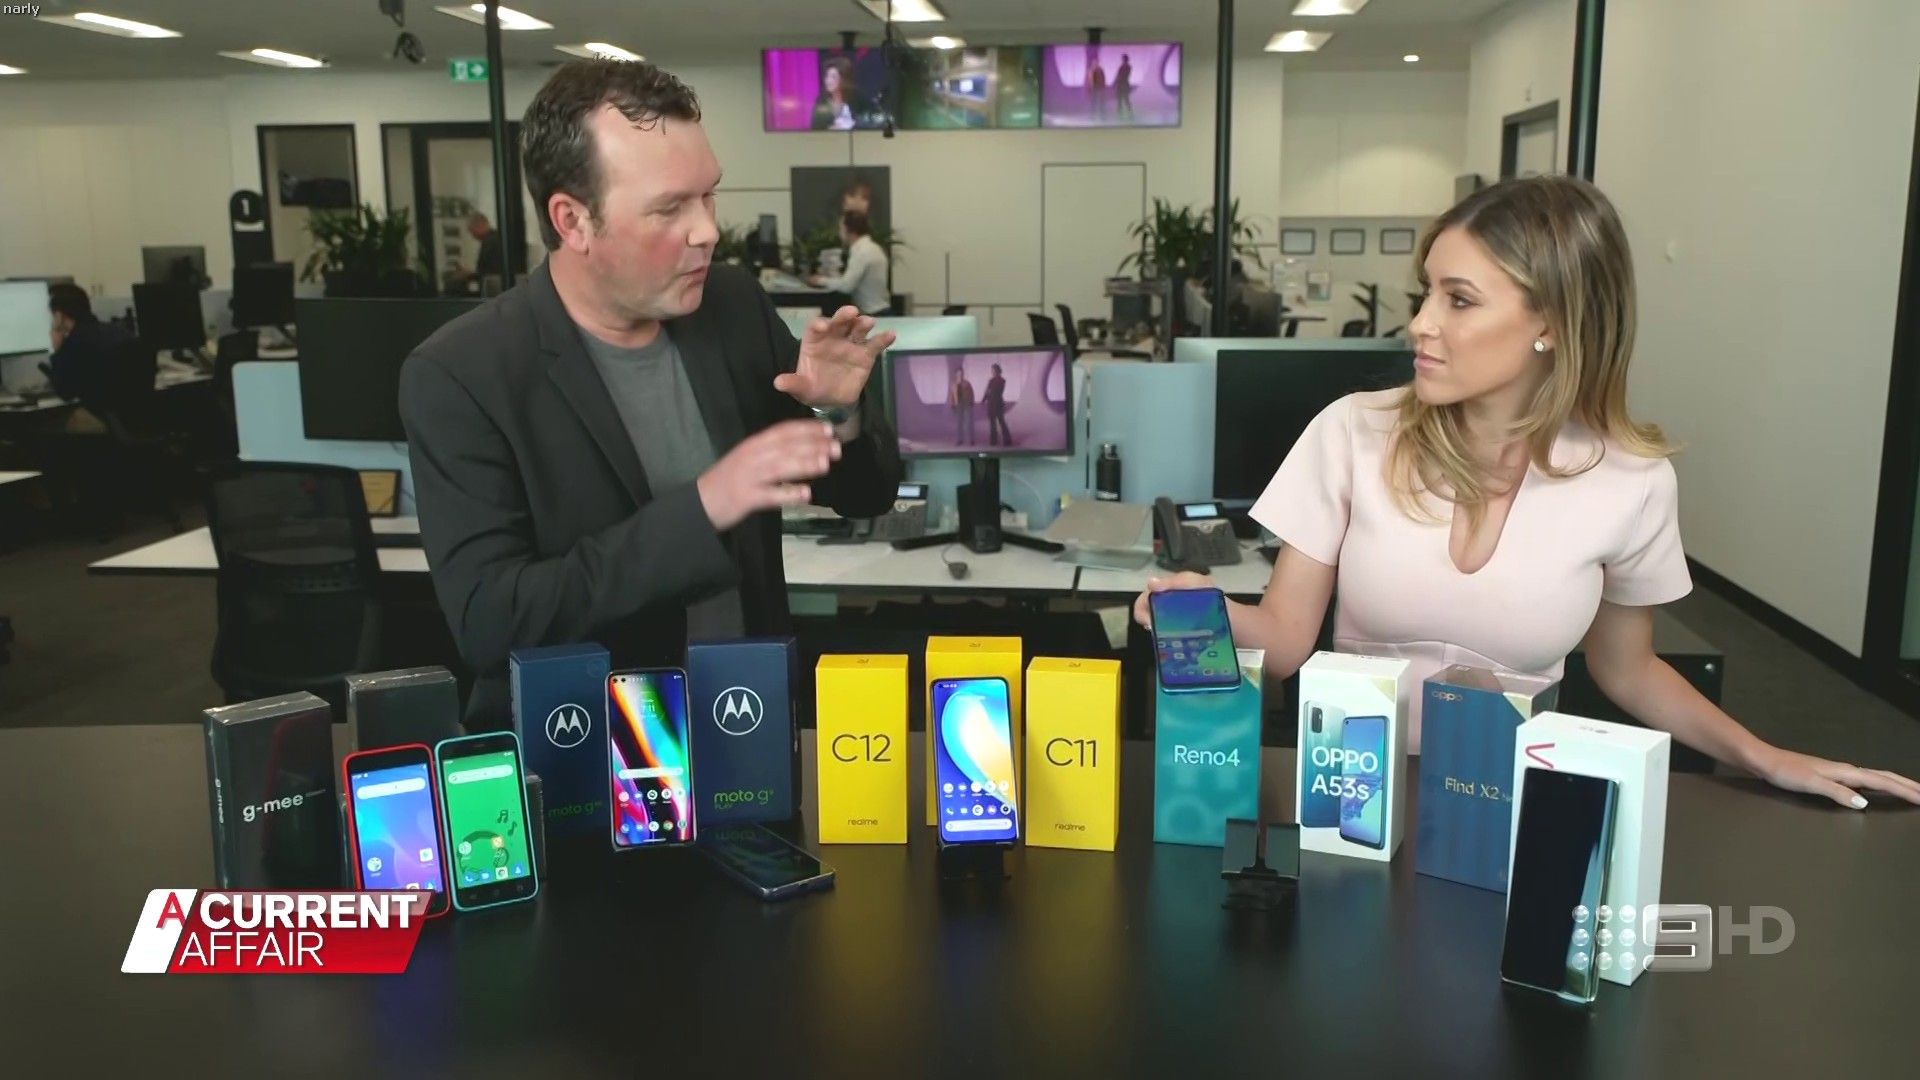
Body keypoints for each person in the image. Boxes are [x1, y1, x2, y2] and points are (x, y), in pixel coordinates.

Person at [1133, 175, 1920, 811]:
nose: (1420, 324)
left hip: (1504, 805)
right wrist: (1196, 613)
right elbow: (1283, 641)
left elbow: (1627, 669)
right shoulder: (1353, 432)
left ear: (1552, 321)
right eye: (1425, 294)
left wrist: (1764, 756)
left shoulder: (1631, 479)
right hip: (1351, 796)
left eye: (1458, 299)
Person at [400, 59, 904, 728]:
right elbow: (492, 621)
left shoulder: (731, 306)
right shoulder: (462, 373)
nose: (708, 230)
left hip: (747, 721)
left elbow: (867, 495)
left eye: (708, 196)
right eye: (670, 208)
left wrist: (835, 412)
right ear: (573, 221)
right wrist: (703, 507)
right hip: (584, 747)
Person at [46, 283, 137, 435]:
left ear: (59, 316)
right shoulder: (121, 331)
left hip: (106, 425)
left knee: (45, 426)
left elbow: (65, 393)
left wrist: (57, 348)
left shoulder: (75, 343)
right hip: (137, 423)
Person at [808, 210, 890, 316]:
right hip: (881, 310)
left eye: (841, 228)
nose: (839, 233)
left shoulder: (861, 251)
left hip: (873, 313)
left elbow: (846, 286)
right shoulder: (874, 247)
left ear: (849, 230)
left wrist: (820, 280)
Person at [811, 57, 856, 131]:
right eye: (827, 76)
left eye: (833, 77)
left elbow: (873, 118)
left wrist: (854, 126)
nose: (828, 81)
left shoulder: (855, 100)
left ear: (843, 79)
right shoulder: (821, 102)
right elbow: (815, 129)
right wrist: (831, 130)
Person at [985, 362, 1012, 447]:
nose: (992, 372)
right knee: (992, 423)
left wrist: (989, 395)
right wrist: (984, 400)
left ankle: (1007, 440)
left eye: (993, 370)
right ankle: (993, 440)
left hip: (998, 403)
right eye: (992, 370)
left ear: (997, 371)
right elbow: (987, 391)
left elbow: (997, 392)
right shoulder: (991, 381)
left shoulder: (1002, 380)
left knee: (1001, 422)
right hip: (991, 403)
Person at [950, 369, 975, 446]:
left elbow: (971, 393)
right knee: (958, 423)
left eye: (961, 374)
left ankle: (971, 440)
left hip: (966, 404)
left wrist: (971, 402)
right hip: (958, 405)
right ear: (956, 375)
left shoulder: (967, 383)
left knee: (968, 423)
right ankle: (959, 440)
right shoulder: (954, 384)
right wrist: (952, 405)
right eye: (958, 374)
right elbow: (952, 396)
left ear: (963, 374)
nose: (960, 375)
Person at [1114, 53, 1134, 121]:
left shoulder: (1126, 67)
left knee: (1124, 100)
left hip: (1123, 85)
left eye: (1123, 59)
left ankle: (1128, 113)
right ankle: (1121, 113)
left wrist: (1116, 81)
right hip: (1122, 85)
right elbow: (1119, 75)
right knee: (1122, 100)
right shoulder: (1125, 66)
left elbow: (1121, 76)